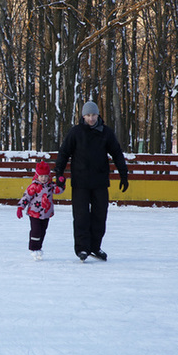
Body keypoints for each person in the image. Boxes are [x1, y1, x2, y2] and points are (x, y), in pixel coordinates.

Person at [54, 101, 128, 262]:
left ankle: (95, 246)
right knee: (81, 216)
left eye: (93, 115)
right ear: (83, 116)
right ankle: (82, 248)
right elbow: (64, 153)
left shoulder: (106, 132)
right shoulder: (76, 132)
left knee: (100, 216)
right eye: (88, 115)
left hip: (100, 182)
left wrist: (124, 174)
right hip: (80, 182)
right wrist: (59, 173)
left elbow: (117, 153)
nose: (91, 118)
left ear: (98, 115)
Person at [16, 160, 63, 260]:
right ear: (37, 176)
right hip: (35, 213)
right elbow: (26, 197)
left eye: (46, 176)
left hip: (46, 213)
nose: (44, 178)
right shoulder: (34, 186)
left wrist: (61, 182)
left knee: (42, 231)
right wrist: (20, 207)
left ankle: (39, 247)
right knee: (36, 230)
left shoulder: (51, 186)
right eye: (41, 176)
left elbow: (59, 190)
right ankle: (33, 248)